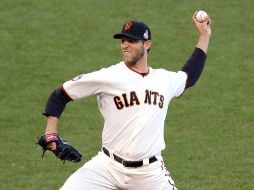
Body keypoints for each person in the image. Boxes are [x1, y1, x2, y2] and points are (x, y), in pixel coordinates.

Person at [42, 11, 211, 190]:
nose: (125, 45)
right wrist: (50, 133)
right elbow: (59, 95)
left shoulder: (164, 80)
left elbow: (189, 76)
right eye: (123, 41)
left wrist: (204, 35)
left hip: (149, 173)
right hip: (107, 167)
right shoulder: (108, 76)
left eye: (131, 41)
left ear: (147, 44)